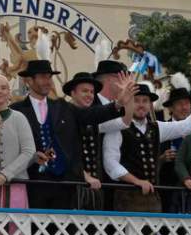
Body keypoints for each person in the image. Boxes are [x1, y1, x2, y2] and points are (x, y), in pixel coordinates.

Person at [11, 60, 131, 210]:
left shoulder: (62, 107)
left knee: (64, 224)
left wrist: (118, 103)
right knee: (35, 224)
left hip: (64, 185)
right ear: (29, 80)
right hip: (32, 183)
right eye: (42, 77)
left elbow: (91, 114)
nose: (48, 81)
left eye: (49, 77)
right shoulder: (16, 110)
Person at [103, 82, 191, 212]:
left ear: (150, 105)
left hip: (153, 197)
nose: (141, 105)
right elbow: (111, 163)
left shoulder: (156, 127)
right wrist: (136, 181)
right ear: (128, 103)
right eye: (136, 100)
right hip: (126, 197)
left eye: (145, 101)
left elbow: (186, 126)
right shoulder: (117, 128)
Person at [63, 71, 124, 210]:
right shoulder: (65, 115)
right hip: (74, 188)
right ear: (72, 93)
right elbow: (66, 154)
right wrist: (84, 176)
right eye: (84, 91)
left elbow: (123, 122)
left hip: (94, 188)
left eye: (92, 92)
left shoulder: (92, 116)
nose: (89, 95)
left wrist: (125, 99)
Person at [0, 73, 36, 209]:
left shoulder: (19, 118)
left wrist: (6, 173)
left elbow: (29, 152)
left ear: (9, 92)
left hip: (14, 184)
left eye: (3, 88)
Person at [157, 84, 191, 213]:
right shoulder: (161, 128)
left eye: (187, 103)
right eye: (179, 104)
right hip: (168, 191)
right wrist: (162, 159)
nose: (184, 107)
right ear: (171, 108)